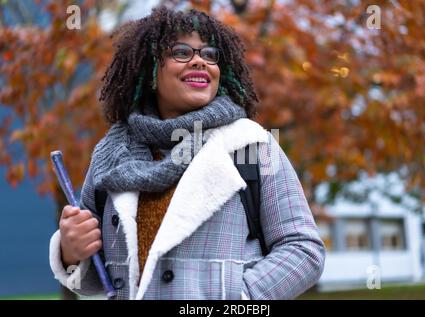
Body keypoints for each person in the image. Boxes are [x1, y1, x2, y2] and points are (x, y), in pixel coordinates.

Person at [49, 5, 325, 300]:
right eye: (182, 52)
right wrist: (70, 251)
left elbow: (303, 249)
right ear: (149, 69)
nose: (200, 62)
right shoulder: (111, 153)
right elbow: (95, 280)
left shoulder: (252, 145)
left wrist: (238, 299)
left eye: (209, 54)